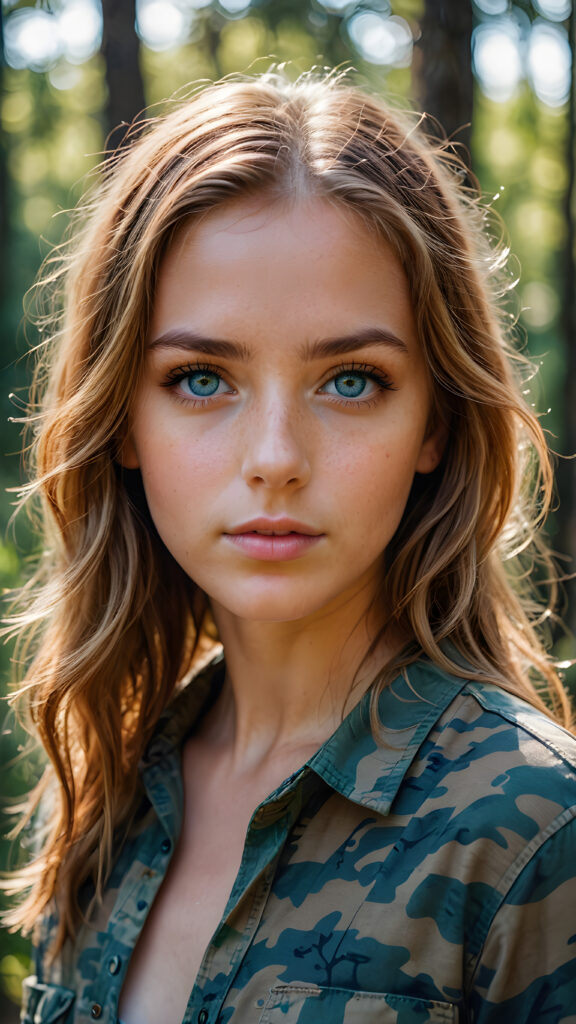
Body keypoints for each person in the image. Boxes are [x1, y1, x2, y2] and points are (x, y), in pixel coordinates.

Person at [5, 70, 576, 1024]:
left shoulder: (533, 832)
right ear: (123, 422)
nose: (275, 459)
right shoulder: (109, 799)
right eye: (200, 378)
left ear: (435, 423)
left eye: (351, 380)